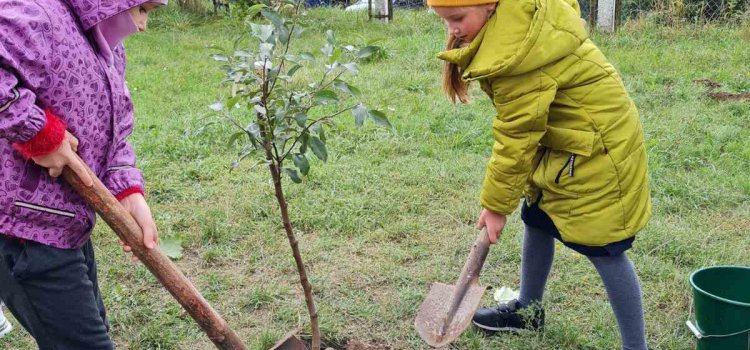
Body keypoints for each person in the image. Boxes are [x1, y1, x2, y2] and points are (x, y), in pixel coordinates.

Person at [427, 0, 652, 348]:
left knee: (604, 247)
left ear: (489, 6)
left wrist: (495, 206)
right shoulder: (516, 20)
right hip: (567, 142)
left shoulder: (519, 52)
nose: (453, 31)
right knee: (538, 217)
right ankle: (528, 310)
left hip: (598, 150)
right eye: (445, 22)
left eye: (457, 18)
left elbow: (516, 138)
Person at [0, 0, 165, 348]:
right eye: (143, 10)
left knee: (91, 330)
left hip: (66, 221)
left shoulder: (107, 50)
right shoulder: (37, 17)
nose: (143, 25)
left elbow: (115, 129)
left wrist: (127, 190)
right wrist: (38, 132)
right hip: (21, 229)